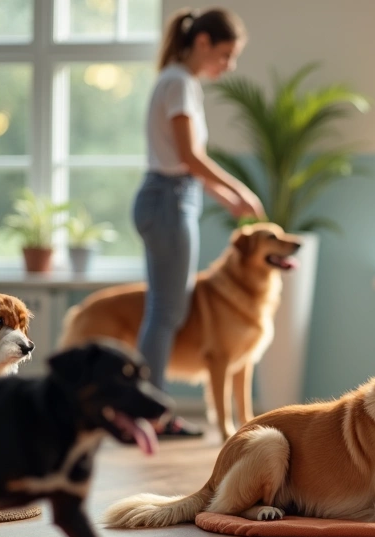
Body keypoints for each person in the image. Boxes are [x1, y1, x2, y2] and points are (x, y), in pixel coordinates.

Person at [134, 7, 265, 438]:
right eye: (225, 55)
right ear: (203, 42)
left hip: (171, 197)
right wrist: (241, 189)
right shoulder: (179, 83)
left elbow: (184, 165)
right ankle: (152, 412)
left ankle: (150, 408)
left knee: (166, 311)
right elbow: (190, 157)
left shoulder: (176, 81)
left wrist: (224, 198)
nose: (227, 67)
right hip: (168, 201)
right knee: (166, 313)